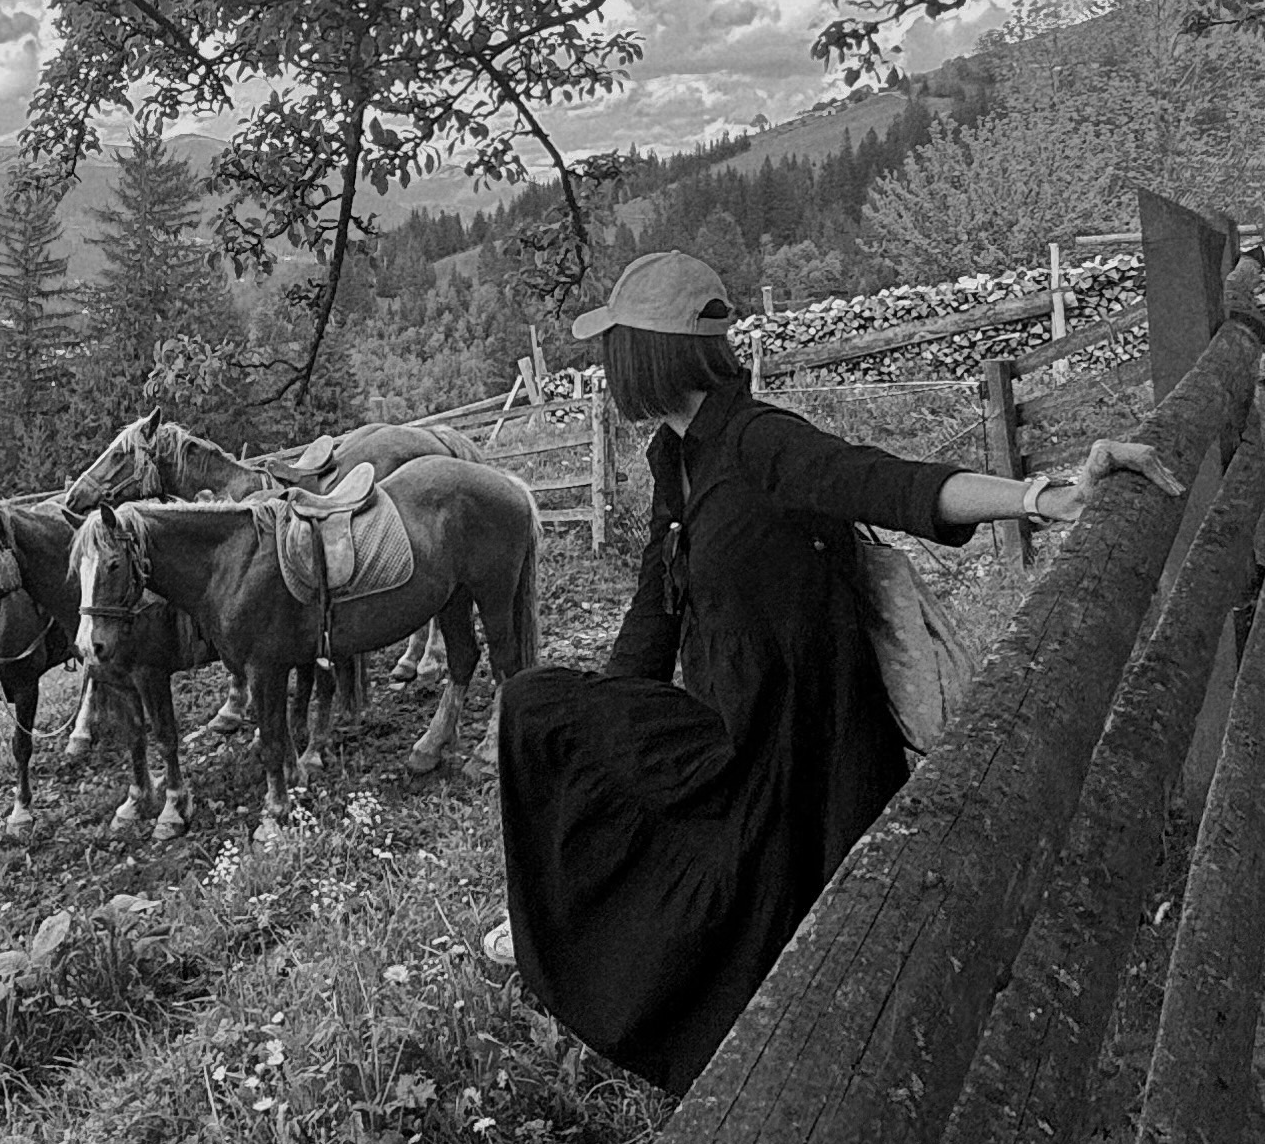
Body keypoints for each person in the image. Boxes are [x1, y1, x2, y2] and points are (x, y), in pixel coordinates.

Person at [495, 250, 1179, 1094]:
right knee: (541, 709)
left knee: (531, 704)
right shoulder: (674, 459)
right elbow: (651, 617)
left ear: (647, 354)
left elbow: (887, 482)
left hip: (799, 751)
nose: (606, 366)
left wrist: (1047, 496)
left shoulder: (758, 442)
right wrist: (612, 736)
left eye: (614, 347)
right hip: (728, 729)